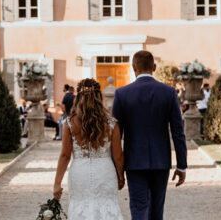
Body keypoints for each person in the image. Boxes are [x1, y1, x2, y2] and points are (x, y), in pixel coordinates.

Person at [113, 50, 187, 220]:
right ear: (154, 67)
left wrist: (116, 169)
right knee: (156, 210)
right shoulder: (168, 92)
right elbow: (178, 132)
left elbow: (115, 135)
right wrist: (181, 165)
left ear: (133, 68)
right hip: (161, 161)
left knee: (139, 207)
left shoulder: (122, 94)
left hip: (134, 161)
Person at [53, 78, 124, 219]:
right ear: (99, 97)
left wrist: (57, 183)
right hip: (105, 172)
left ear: (78, 98)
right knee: (107, 208)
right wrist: (121, 176)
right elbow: (118, 155)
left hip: (80, 172)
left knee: (81, 208)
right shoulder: (111, 123)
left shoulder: (69, 123)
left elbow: (65, 155)